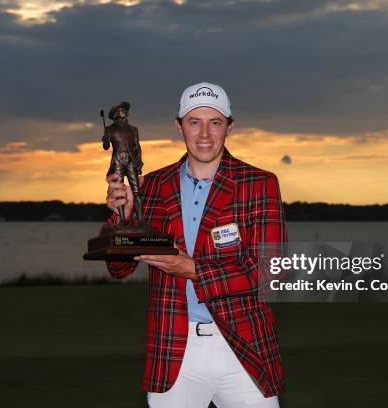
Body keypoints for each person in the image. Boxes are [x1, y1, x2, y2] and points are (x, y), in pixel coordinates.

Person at [104, 82, 287, 408]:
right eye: (194, 122)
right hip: (175, 348)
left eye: (215, 122)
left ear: (230, 127)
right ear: (179, 126)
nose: (204, 134)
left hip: (242, 346)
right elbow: (119, 268)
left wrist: (191, 268)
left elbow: (269, 273)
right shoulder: (153, 185)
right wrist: (123, 217)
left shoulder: (258, 183)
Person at [102, 101, 144, 224]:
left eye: (124, 110)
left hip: (131, 161)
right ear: (114, 115)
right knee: (118, 191)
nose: (122, 111)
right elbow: (106, 147)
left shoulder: (134, 129)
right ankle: (122, 221)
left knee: (137, 191)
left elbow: (137, 146)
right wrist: (105, 140)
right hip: (118, 161)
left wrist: (139, 162)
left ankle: (141, 221)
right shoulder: (109, 129)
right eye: (119, 110)